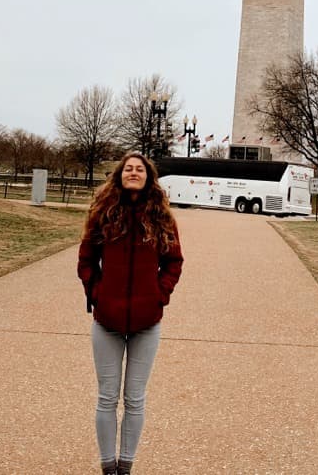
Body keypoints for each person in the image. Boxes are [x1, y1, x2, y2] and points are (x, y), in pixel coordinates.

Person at [78, 152, 184, 475]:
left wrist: (158, 296)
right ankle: (107, 466)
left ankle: (126, 465)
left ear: (149, 177)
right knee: (107, 398)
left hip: (146, 322)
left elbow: (173, 262)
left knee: (135, 399)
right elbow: (85, 260)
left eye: (139, 169)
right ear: (120, 175)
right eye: (128, 169)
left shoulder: (162, 217)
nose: (134, 173)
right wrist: (96, 295)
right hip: (107, 320)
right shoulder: (103, 213)